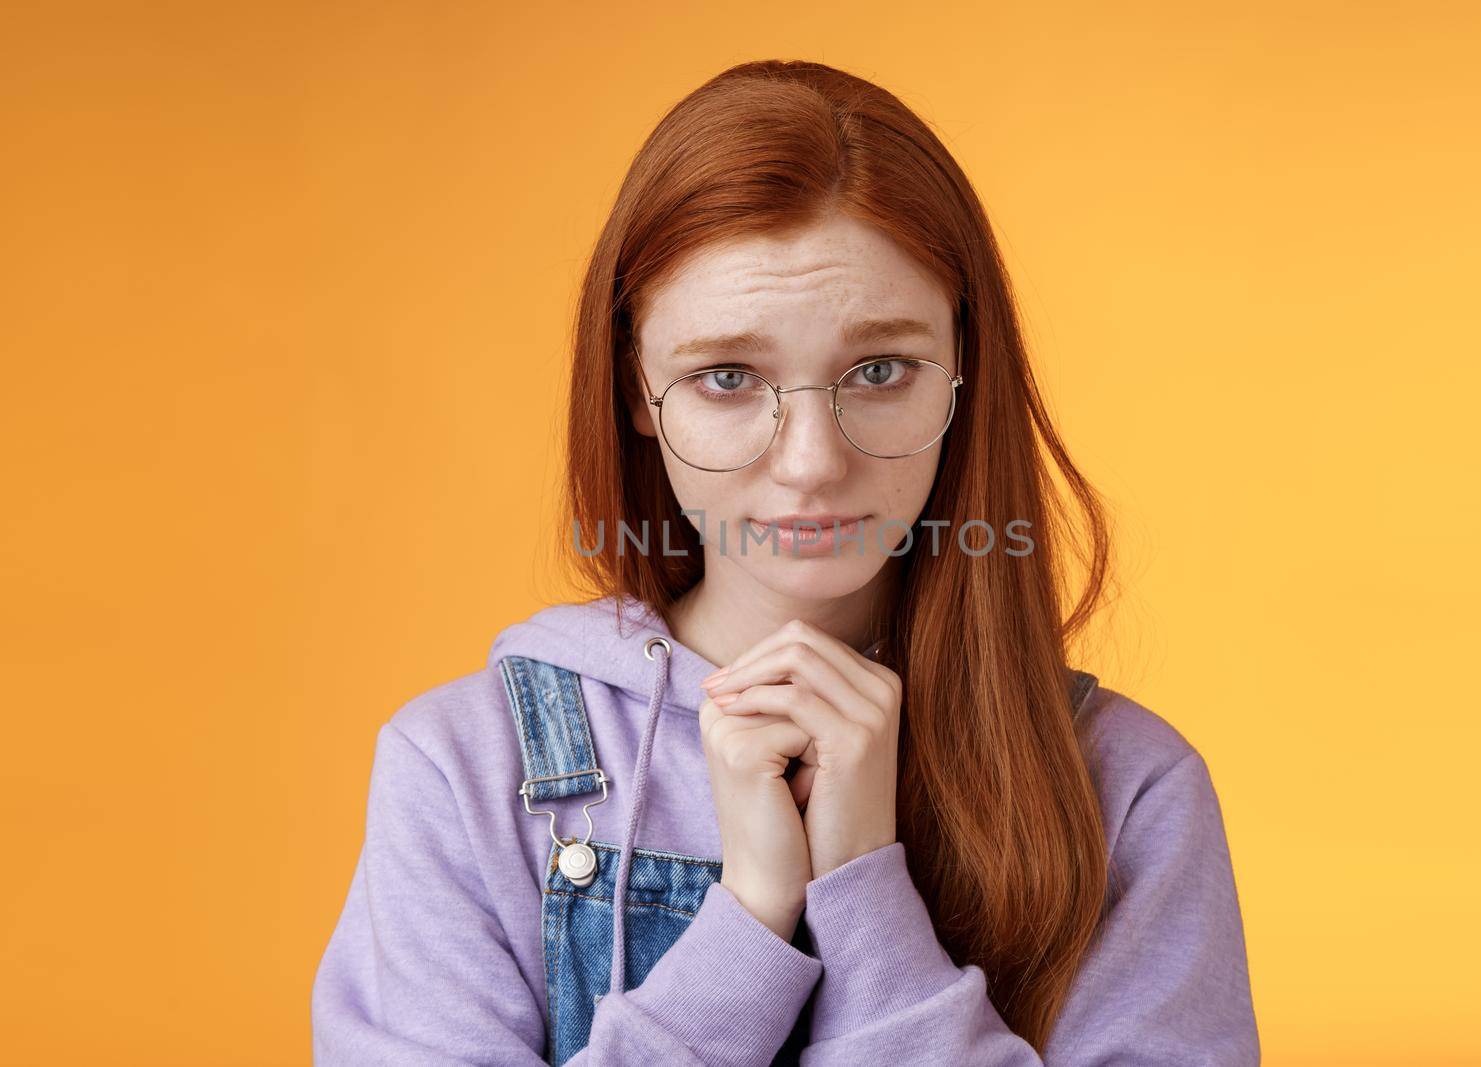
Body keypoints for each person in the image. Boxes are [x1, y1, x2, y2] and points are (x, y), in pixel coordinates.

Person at [312, 59, 1260, 1065]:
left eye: (880, 370)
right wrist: (747, 921)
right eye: (726, 376)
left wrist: (862, 887)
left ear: (961, 377)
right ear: (637, 387)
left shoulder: (1127, 791)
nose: (812, 462)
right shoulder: (465, 770)